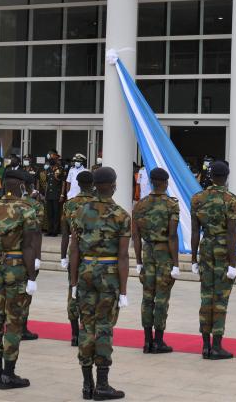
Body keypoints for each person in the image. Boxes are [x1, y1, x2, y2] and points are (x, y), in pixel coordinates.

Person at [69, 166, 130, 400]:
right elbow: (123, 256)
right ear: (114, 185)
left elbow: (74, 249)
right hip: (108, 273)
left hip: (85, 271)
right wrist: (123, 290)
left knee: (86, 326)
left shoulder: (80, 211)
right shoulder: (120, 214)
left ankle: (87, 384)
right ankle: (102, 384)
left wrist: (74, 282)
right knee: (103, 327)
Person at [0, 169, 39, 390]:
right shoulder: (27, 210)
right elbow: (28, 246)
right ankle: (8, 374)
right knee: (14, 321)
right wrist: (32, 276)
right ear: (22, 186)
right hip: (17, 267)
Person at [190, 160, 236, 361]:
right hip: (222, 250)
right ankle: (216, 345)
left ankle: (205, 345)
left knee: (206, 297)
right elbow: (231, 233)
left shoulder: (198, 198)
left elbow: (194, 231)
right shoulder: (231, 199)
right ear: (226, 177)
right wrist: (232, 264)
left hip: (205, 248)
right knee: (220, 299)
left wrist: (193, 258)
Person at [132, 167, 180, 354]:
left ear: (152, 182)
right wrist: (175, 263)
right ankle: (158, 341)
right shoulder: (171, 205)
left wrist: (138, 261)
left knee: (147, 297)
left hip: (147, 251)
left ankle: (146, 341)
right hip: (164, 253)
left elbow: (135, 236)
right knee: (161, 297)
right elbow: (172, 236)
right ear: (166, 183)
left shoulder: (140, 205)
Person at [60, 169, 95, 346]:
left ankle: (74, 334)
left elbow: (65, 234)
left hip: (74, 252)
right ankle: (86, 330)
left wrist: (62, 256)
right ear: (93, 184)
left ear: (78, 185)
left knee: (72, 290)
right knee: (90, 293)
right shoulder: (98, 204)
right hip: (92, 253)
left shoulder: (69, 204)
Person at [18, 173, 44, 341]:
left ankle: (10, 325)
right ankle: (22, 328)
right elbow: (36, 233)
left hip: (9, 254)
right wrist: (37, 256)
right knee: (26, 293)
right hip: (28, 254)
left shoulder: (5, 204)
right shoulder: (35, 205)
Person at [44, 152, 67, 236]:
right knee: (49, 213)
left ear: (56, 160)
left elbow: (63, 183)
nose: (51, 162)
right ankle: (49, 230)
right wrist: (46, 195)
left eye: (52, 160)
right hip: (49, 194)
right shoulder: (48, 169)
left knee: (56, 213)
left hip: (57, 194)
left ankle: (55, 231)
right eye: (50, 160)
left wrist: (62, 194)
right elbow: (47, 183)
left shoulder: (61, 169)